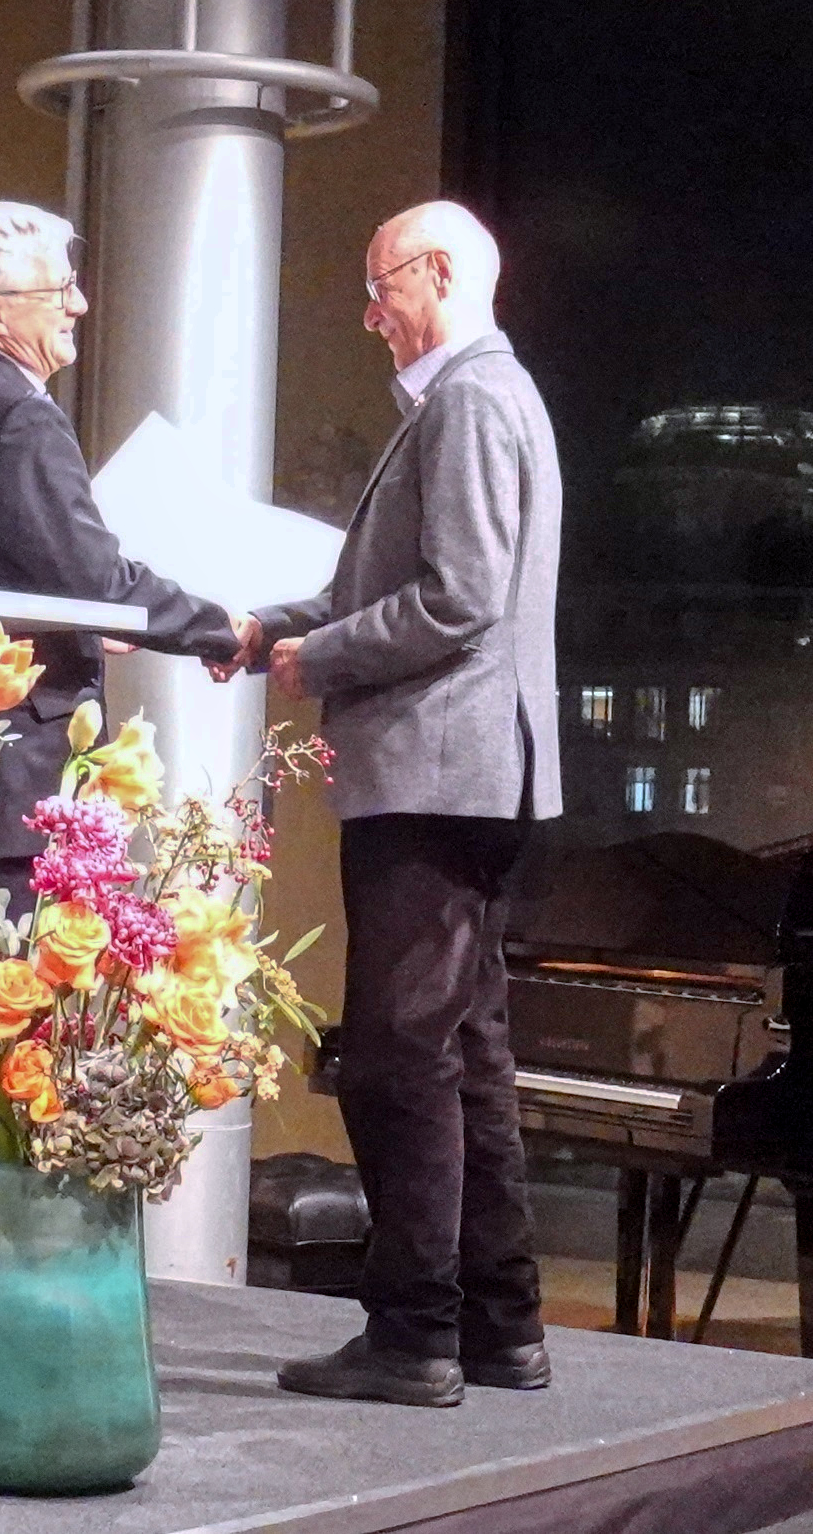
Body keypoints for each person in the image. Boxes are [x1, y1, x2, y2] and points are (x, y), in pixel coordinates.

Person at [215, 201, 562, 1407]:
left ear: (445, 273)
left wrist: (328, 659)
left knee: (394, 1059)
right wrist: (276, 631)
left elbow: (458, 598)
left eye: (382, 289)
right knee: (466, 1052)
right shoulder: (485, 398)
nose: (371, 317)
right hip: (472, 772)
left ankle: (415, 1333)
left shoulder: (469, 400)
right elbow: (412, 587)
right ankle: (499, 1324)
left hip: (437, 771)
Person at [0, 201, 252, 914]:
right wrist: (223, 629)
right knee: (26, 995)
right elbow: (94, 577)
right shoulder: (17, 412)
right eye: (57, 291)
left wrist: (77, 619)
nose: (77, 304)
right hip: (26, 766)